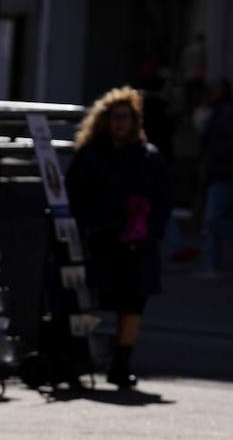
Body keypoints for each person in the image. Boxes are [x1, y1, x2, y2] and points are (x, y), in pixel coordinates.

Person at [65, 86, 173, 389]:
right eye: (115, 117)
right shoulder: (92, 154)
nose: (120, 123)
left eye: (125, 117)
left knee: (133, 304)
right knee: (90, 301)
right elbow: (74, 193)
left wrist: (151, 230)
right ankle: (79, 359)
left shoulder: (149, 157)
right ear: (104, 119)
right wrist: (86, 227)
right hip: (101, 240)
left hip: (137, 244)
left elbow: (164, 198)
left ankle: (121, 364)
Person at [197, 77, 233, 278]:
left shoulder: (227, 112)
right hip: (223, 171)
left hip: (225, 172)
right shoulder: (223, 110)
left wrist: (213, 158)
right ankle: (213, 264)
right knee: (213, 220)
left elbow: (229, 143)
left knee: (214, 219)